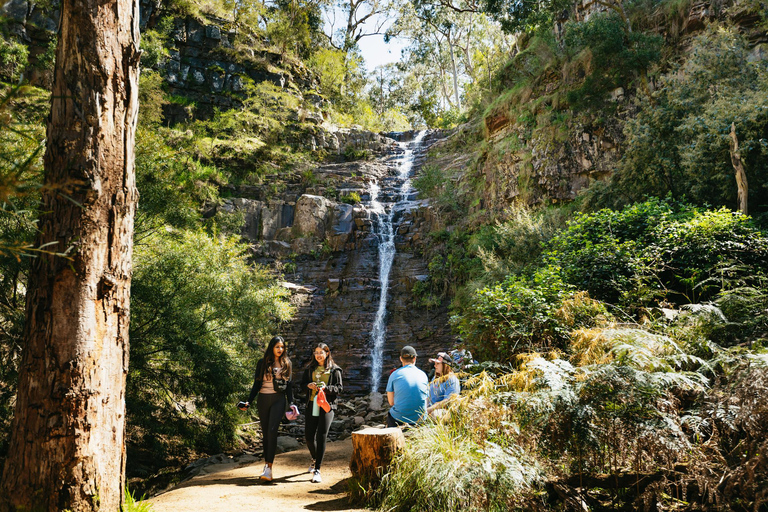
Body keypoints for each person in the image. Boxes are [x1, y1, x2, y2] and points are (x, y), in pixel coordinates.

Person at [239, 336, 294, 482]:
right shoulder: (262, 363)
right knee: (265, 434)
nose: (280, 349)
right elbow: (256, 385)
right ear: (272, 347)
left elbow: (289, 386)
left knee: (272, 432)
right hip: (263, 400)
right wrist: (248, 401)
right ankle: (266, 466)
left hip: (278, 400)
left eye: (282, 347)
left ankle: (269, 468)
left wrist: (292, 403)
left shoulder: (287, 363)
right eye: (277, 347)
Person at [300, 343, 343, 484]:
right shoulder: (310, 369)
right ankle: (314, 458)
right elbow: (301, 385)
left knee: (321, 435)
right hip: (312, 404)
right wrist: (308, 385)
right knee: (308, 436)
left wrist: (326, 388)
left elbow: (339, 388)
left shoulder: (335, 370)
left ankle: (317, 469)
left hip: (327, 405)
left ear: (327, 353)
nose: (318, 355)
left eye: (321, 352)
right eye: (316, 352)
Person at [385, 345, 428, 427]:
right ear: (415, 358)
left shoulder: (394, 374)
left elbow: (391, 402)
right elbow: (425, 399)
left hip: (399, 419)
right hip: (420, 419)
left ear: (401, 359)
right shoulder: (423, 375)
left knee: (392, 414)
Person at [426, 351, 461, 417]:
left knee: (435, 414)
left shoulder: (452, 380)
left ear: (445, 366)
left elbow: (448, 401)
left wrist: (428, 410)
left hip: (443, 411)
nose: (435, 366)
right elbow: (429, 396)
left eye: (438, 364)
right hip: (430, 409)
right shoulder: (436, 378)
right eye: (435, 363)